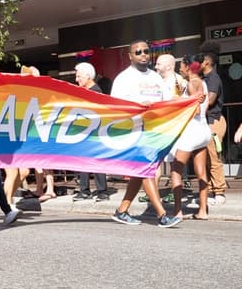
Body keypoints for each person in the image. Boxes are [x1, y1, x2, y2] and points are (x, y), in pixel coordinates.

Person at [109, 40, 181, 228]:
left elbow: (167, 101)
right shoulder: (123, 78)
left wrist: (189, 100)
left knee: (139, 173)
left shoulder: (156, 77)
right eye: (138, 51)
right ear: (130, 56)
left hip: (153, 132)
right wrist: (140, 108)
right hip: (133, 132)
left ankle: (122, 211)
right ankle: (162, 215)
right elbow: (115, 107)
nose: (143, 54)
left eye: (146, 51)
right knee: (145, 170)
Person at [169, 60, 211, 220]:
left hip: (191, 131)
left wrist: (176, 102)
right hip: (203, 129)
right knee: (201, 171)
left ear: (188, 67)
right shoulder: (202, 83)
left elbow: (195, 109)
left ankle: (178, 211)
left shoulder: (193, 83)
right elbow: (203, 108)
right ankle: (202, 211)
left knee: (175, 170)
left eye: (181, 68)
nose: (180, 71)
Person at [70, 61, 110, 201]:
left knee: (97, 160)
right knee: (83, 160)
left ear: (88, 76)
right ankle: (85, 190)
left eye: (79, 76)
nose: (76, 79)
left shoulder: (96, 92)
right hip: (85, 132)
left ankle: (102, 191)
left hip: (94, 132)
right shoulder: (85, 92)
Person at [199, 50, 228, 205]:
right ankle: (210, 190)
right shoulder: (204, 78)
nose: (197, 63)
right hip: (206, 121)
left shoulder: (213, 78)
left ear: (207, 62)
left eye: (200, 60)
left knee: (213, 157)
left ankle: (219, 192)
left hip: (214, 121)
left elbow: (210, 100)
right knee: (206, 159)